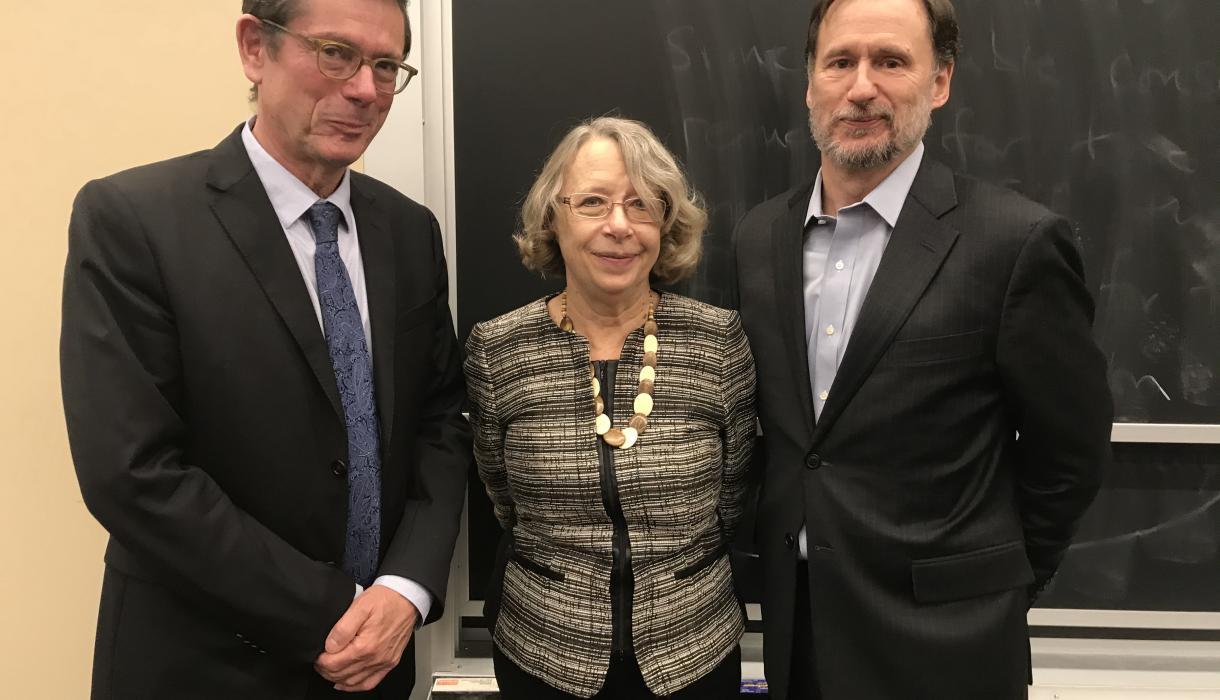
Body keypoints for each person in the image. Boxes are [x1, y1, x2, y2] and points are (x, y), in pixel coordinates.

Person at [60, 0, 470, 696]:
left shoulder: (408, 231)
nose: (366, 90)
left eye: (385, 66)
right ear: (256, 49)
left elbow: (440, 420)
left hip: (374, 668)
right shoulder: (133, 221)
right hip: (200, 663)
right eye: (336, 53)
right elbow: (132, 473)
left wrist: (404, 589)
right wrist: (329, 613)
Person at [731, 0, 1113, 698]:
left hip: (952, 648)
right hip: (799, 637)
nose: (862, 86)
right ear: (811, 81)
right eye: (840, 61)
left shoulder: (1015, 242)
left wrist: (995, 584)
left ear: (939, 82)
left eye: (892, 61)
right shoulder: (759, 239)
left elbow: (1072, 448)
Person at [464, 116, 756, 700]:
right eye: (592, 202)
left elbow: (732, 497)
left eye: (642, 204)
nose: (619, 226)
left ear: (666, 222)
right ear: (553, 216)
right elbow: (503, 500)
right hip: (543, 653)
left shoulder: (719, 343)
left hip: (693, 651)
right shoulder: (498, 349)